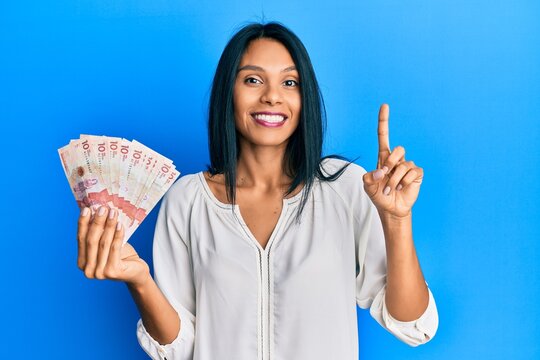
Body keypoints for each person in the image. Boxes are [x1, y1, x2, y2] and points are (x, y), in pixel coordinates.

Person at [76, 21, 439, 360]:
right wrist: (140, 281)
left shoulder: (346, 188)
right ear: (228, 92)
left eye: (290, 83)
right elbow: (180, 348)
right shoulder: (186, 201)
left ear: (305, 98)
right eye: (252, 80)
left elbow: (412, 326)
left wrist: (397, 220)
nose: (272, 97)